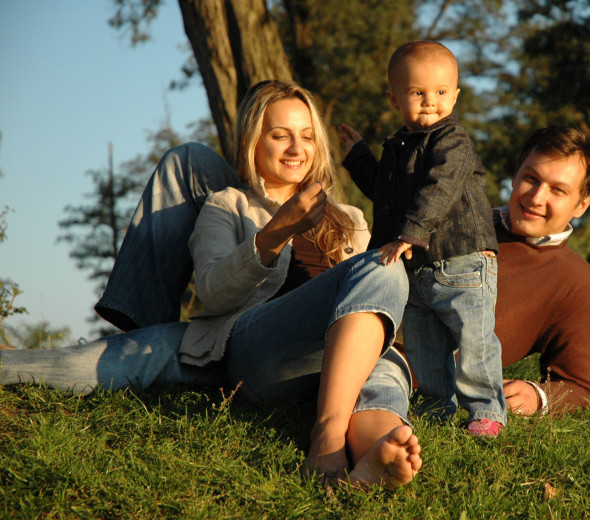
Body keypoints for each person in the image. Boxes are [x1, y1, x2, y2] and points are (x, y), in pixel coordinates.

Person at [0, 80, 421, 487]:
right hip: (262, 349)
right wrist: (273, 234)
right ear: (253, 142)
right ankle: (327, 438)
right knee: (378, 268)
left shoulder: (349, 217)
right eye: (280, 136)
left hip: (340, 361)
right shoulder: (228, 204)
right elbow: (213, 292)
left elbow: (371, 301)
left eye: (307, 136)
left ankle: (378, 454)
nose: (297, 148)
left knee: (381, 348)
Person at [347, 125, 590, 449]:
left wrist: (537, 395)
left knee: (381, 379)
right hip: (361, 324)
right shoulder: (451, 214)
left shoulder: (577, 285)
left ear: (582, 205)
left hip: (401, 367)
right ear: (515, 175)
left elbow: (579, 385)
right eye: (531, 178)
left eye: (558, 190)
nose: (537, 197)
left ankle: (377, 450)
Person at [338, 41, 506, 436]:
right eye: (417, 93)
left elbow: (440, 189)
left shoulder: (452, 141)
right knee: (424, 343)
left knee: (474, 338)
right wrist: (359, 155)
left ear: (456, 95)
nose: (430, 102)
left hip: (463, 259)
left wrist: (410, 233)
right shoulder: (400, 146)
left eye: (441, 92)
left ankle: (485, 411)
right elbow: (385, 191)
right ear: (395, 99)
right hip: (419, 268)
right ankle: (436, 406)